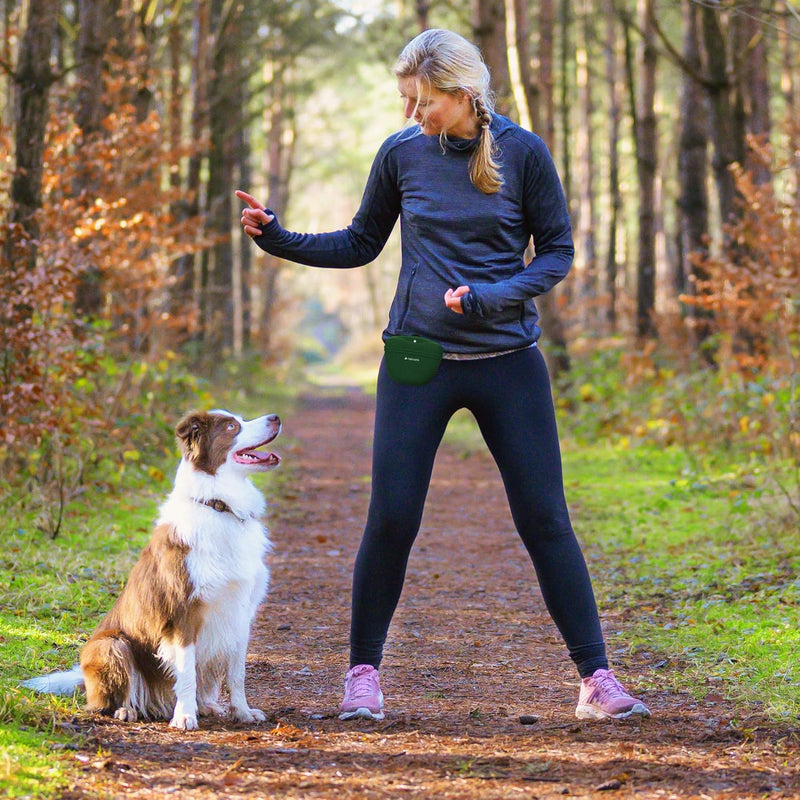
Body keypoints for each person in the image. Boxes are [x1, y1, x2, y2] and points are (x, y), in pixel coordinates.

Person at [237, 28, 650, 723]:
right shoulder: (402, 155)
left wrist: (496, 295)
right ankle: (362, 676)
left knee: (546, 519)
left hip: (507, 361)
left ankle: (597, 679)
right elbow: (360, 242)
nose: (412, 114)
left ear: (462, 96)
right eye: (407, 100)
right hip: (418, 360)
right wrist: (277, 236)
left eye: (422, 101)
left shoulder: (523, 154)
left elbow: (557, 252)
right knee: (392, 518)